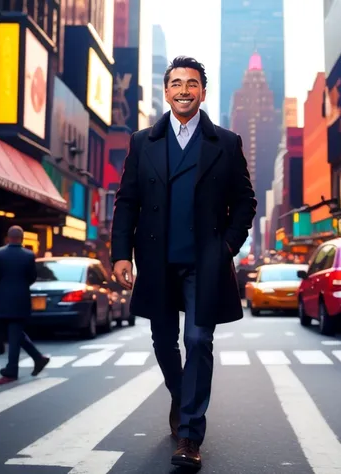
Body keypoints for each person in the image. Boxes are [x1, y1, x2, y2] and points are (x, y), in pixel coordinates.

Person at [111, 56, 256, 469]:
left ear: (203, 92)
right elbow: (127, 202)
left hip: (204, 263)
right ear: (166, 91)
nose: (184, 90)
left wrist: (227, 244)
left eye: (192, 83)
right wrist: (121, 252)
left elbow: (245, 201)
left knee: (197, 340)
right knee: (163, 341)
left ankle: (190, 436)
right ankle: (181, 395)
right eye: (176, 83)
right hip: (156, 260)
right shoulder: (143, 142)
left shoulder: (225, 142)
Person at [0, 226, 49, 379]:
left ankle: (13, 367)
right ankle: (37, 358)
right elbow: (32, 276)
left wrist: (1, 287)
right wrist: (21, 286)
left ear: (8, 237)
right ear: (22, 238)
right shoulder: (29, 255)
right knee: (16, 332)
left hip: (2, 297)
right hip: (21, 297)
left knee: (12, 332)